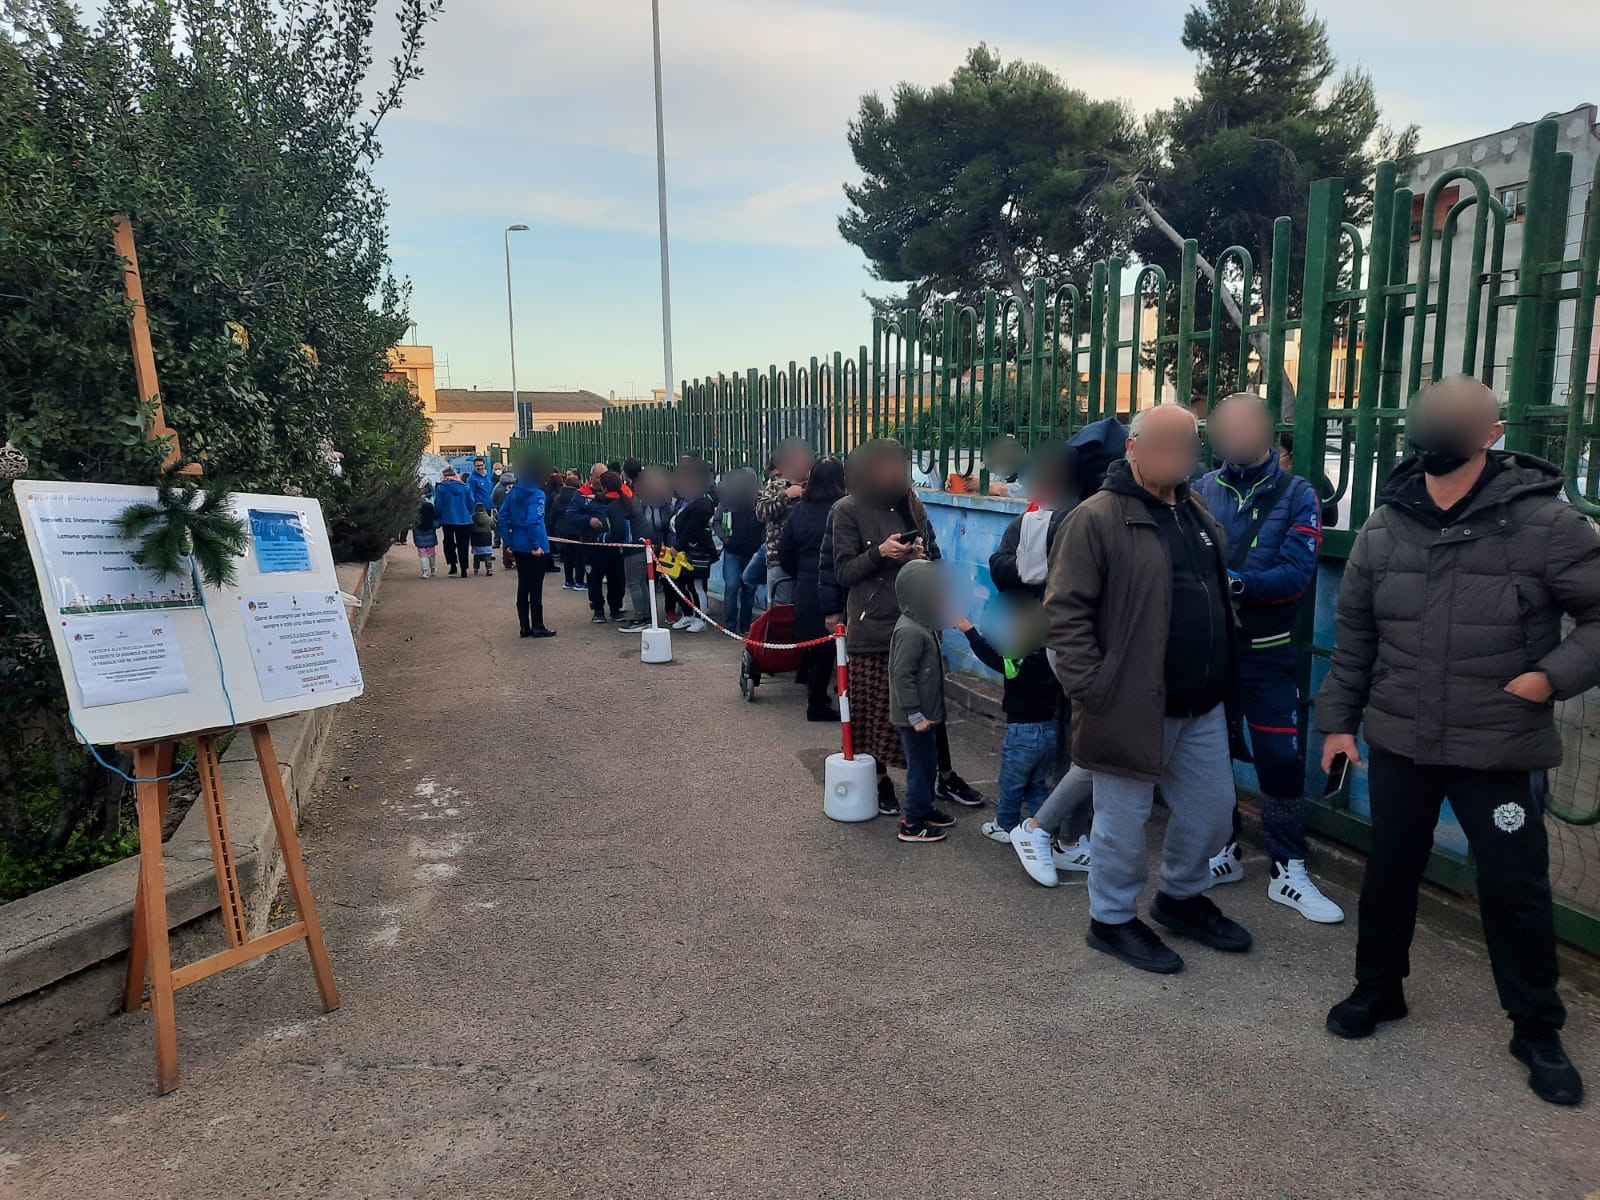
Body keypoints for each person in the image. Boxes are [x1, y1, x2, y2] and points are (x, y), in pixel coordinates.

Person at [1315, 376, 1600, 1107]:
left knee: (1517, 891)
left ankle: (1536, 1028)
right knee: (1388, 873)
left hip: (1498, 746)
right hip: (1403, 740)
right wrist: (1339, 723)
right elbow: (1356, 639)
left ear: (1492, 432)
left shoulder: (1547, 523)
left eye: (1452, 418)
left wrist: (1549, 679)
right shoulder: (1387, 524)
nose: (1431, 429)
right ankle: (1379, 991)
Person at [1046, 403, 1249, 975]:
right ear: (1132, 448)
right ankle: (1110, 920)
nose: (1178, 454)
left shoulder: (1195, 510)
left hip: (1202, 700)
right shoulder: (1096, 518)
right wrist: (1094, 689)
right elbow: (1065, 614)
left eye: (1187, 443)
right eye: (1163, 442)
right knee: (1122, 824)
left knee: (1212, 812)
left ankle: (1180, 897)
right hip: (1129, 703)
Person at [1194, 393, 1344, 924]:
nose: (1233, 438)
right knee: (1210, 758)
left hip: (1268, 653)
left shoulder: (1298, 493)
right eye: (1223, 429)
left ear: (1266, 431)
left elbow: (1295, 578)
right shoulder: (1201, 490)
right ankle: (1223, 852)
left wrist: (1233, 582)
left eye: (1243, 426)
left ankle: (1289, 869)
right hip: (1211, 651)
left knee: (1280, 760)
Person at [957, 600, 1058, 848]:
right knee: (1037, 784)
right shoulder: (1054, 659)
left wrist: (968, 629)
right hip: (1049, 731)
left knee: (1011, 783)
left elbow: (989, 655)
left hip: (1022, 733)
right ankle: (1043, 827)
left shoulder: (1018, 660)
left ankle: (1005, 824)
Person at [888, 559, 956, 844]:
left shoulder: (922, 624)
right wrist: (915, 716)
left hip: (927, 715)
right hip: (915, 720)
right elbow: (901, 676)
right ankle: (912, 822)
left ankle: (925, 808)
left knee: (928, 766)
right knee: (920, 769)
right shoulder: (909, 631)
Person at [778, 456, 848, 720]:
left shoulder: (800, 511)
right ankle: (817, 703)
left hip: (806, 588)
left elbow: (784, 552)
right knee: (829, 647)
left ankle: (810, 685)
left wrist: (800, 575)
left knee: (816, 645)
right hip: (836, 589)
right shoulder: (844, 509)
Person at [497, 469, 556, 639]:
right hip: (535, 544)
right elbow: (533, 520)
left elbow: (502, 518)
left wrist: (509, 541)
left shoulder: (514, 493)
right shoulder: (537, 495)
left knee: (523, 585)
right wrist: (535, 545)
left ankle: (524, 627)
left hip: (518, 544)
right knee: (536, 587)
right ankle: (538, 625)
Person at [756, 437, 816, 604]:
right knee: (779, 609)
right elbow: (761, 513)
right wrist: (786, 496)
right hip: (779, 558)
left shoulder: (816, 486)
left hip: (808, 559)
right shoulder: (776, 486)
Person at [621, 466, 676, 633]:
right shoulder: (638, 500)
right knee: (645, 580)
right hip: (646, 545)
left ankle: (660, 612)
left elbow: (668, 524)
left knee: (662, 581)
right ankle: (647, 613)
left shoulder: (667, 502)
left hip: (663, 545)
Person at [669, 459, 718, 633]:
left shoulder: (703, 503)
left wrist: (678, 546)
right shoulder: (684, 501)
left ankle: (700, 618)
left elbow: (692, 528)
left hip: (697, 549)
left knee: (696, 585)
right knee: (679, 581)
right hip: (683, 548)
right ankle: (688, 614)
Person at [575, 469, 631, 622]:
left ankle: (615, 607)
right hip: (593, 545)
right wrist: (588, 521)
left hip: (612, 546)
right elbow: (571, 515)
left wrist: (608, 537)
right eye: (598, 477)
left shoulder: (617, 500)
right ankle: (598, 609)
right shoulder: (581, 494)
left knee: (616, 578)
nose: (600, 480)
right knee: (594, 579)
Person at [716, 467, 764, 635]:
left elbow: (767, 523)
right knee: (732, 585)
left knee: (749, 589)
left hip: (753, 552)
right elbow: (715, 521)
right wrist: (726, 539)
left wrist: (762, 543)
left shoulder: (761, 500)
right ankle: (730, 625)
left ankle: (745, 626)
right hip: (732, 552)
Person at [431, 466, 474, 579]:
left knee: (448, 543)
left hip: (447, 519)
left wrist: (437, 515)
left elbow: (438, 505)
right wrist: (467, 512)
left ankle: (453, 565)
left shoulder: (441, 488)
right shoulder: (465, 487)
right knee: (463, 545)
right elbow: (471, 503)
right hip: (464, 520)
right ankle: (464, 569)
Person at [550, 470, 586, 590]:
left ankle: (568, 581)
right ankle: (579, 582)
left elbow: (552, 516)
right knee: (579, 557)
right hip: (576, 530)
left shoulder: (557, 498)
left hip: (562, 531)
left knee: (567, 557)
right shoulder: (579, 497)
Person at [412, 497, 439, 578]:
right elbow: (437, 525)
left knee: (423, 557)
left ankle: (425, 572)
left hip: (420, 542)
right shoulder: (431, 521)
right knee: (432, 555)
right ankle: (433, 569)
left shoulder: (417, 520)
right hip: (431, 542)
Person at [470, 502, 496, 575]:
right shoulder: (488, 519)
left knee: (477, 556)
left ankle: (476, 569)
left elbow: (469, 528)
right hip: (487, 539)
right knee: (487, 555)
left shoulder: (472, 518)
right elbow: (494, 526)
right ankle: (489, 569)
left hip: (476, 540)